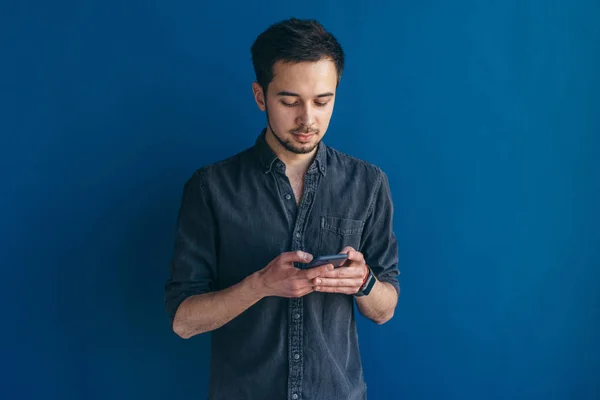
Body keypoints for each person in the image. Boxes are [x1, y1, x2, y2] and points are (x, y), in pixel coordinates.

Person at [164, 17, 400, 400]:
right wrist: (259, 286)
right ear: (261, 97)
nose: (308, 119)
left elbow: (384, 309)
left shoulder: (368, 184)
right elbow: (183, 322)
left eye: (323, 101)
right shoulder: (211, 187)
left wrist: (364, 282)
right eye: (290, 101)